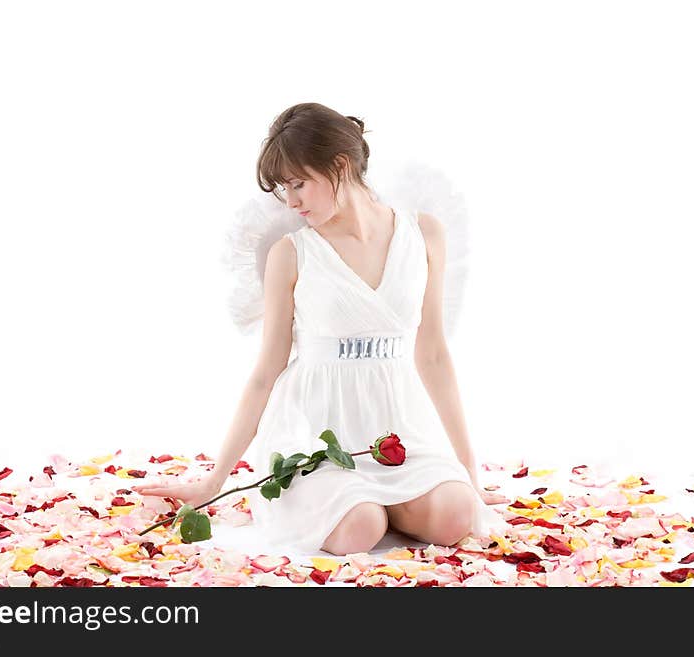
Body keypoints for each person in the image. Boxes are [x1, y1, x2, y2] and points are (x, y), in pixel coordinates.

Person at [135, 102, 509, 555]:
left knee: (457, 514)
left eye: (298, 184)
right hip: (313, 430)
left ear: (339, 165)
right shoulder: (293, 253)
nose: (290, 201)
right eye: (283, 189)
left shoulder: (424, 234)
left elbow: (432, 355)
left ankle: (397, 499)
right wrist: (215, 480)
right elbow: (265, 372)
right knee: (360, 526)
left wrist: (468, 473)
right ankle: (365, 505)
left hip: (398, 433)